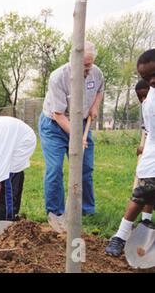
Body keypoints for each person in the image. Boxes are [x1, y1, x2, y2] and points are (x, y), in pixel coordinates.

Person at [39, 42, 104, 227]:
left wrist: (94, 106)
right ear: (72, 60)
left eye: (89, 64)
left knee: (85, 167)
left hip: (82, 123)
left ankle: (86, 209)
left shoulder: (96, 73)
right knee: (55, 168)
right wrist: (77, 137)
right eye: (84, 65)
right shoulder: (58, 77)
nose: (87, 69)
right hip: (54, 126)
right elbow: (58, 115)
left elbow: (99, 89)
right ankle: (56, 212)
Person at [105, 49, 155, 257]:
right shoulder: (150, 101)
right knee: (143, 192)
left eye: (154, 75)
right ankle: (121, 236)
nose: (150, 81)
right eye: (145, 78)